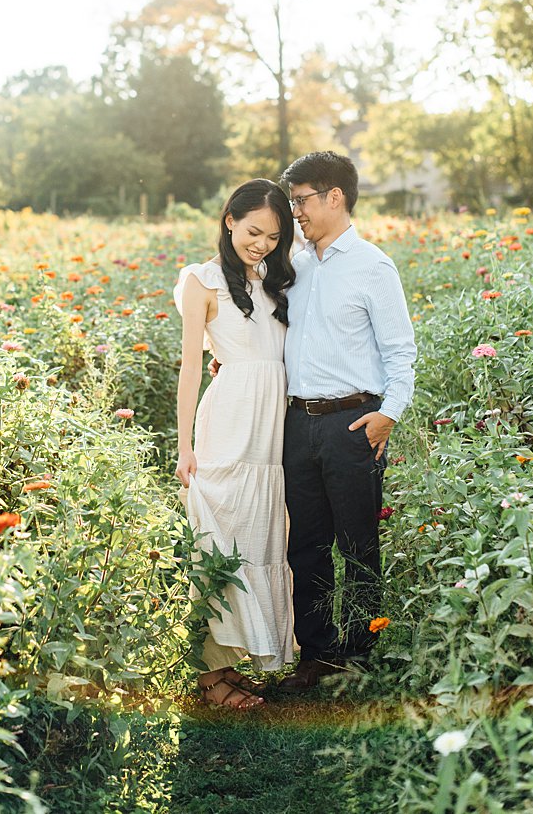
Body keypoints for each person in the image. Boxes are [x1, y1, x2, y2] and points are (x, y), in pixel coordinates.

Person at [275, 151, 417, 691]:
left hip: (353, 422)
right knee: (305, 544)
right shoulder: (294, 266)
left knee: (358, 544)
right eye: (293, 202)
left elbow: (401, 353)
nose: (296, 212)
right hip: (296, 422)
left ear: (336, 197)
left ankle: (361, 654)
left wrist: (387, 416)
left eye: (302, 200)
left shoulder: (373, 267)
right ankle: (317, 653)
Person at [173, 178, 297, 710]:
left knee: (258, 536)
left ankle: (237, 658)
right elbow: (191, 367)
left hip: (272, 426)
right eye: (253, 231)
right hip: (228, 420)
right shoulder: (203, 281)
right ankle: (208, 674)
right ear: (229, 221)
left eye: (272, 236)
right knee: (220, 535)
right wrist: (183, 447)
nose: (262, 244)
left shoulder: (274, 279)